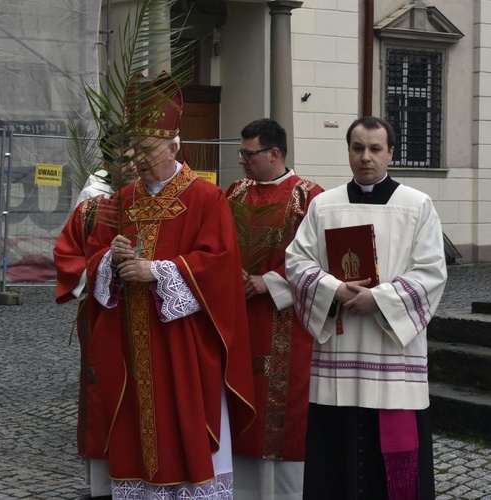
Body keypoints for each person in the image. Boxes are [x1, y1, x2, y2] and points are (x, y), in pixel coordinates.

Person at [85, 72, 256, 499]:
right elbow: (91, 258)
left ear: (174, 145)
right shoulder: (122, 199)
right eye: (134, 149)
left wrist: (158, 272)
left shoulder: (205, 197)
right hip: (131, 344)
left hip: (184, 345)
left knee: (185, 435)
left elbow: (219, 265)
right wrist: (112, 259)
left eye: (147, 149)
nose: (138, 159)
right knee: (134, 436)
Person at [285, 116, 447, 499]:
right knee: (335, 463)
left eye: (375, 149)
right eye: (358, 148)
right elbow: (297, 263)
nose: (366, 157)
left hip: (392, 354)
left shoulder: (417, 205)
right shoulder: (324, 206)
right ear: (349, 151)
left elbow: (431, 273)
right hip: (338, 354)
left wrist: (379, 298)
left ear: (390, 152)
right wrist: (335, 289)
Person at [226, 118, 323, 500]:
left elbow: (319, 258)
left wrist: (268, 281)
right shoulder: (234, 193)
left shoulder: (310, 197)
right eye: (242, 153)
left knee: (283, 412)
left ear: (275, 153)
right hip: (237, 317)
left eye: (248, 154)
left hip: (286, 320)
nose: (242, 161)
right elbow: (217, 244)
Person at [54, 130, 137, 500]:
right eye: (122, 159)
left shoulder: (160, 198)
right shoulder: (94, 204)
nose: (131, 165)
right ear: (106, 163)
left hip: (149, 311)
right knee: (103, 390)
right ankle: (103, 483)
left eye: (135, 156)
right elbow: (69, 254)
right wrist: (105, 267)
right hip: (105, 312)